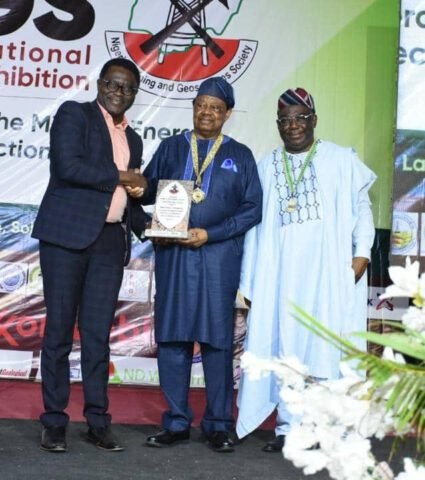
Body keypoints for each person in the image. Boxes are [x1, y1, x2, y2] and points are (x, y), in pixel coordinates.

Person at [236, 88, 376, 452]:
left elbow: (362, 207)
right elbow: (254, 226)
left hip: (329, 275)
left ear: (314, 120)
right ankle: (289, 428)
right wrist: (251, 279)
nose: (293, 126)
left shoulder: (341, 159)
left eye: (300, 118)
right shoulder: (266, 166)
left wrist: (361, 254)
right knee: (287, 348)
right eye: (285, 120)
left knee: (328, 349)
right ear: (278, 125)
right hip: (281, 276)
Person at [32, 58, 148, 453]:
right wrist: (124, 177)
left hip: (109, 243)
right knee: (60, 332)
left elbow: (129, 199)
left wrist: (157, 227)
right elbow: (67, 167)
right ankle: (54, 422)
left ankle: (98, 421)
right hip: (66, 239)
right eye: (113, 84)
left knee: (98, 337)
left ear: (134, 94)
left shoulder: (134, 140)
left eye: (128, 88)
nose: (119, 92)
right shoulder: (74, 114)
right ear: (100, 84)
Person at [142, 77, 262, 453]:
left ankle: (218, 424)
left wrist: (212, 234)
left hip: (218, 259)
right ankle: (176, 422)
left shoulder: (240, 155)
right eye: (201, 105)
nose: (207, 112)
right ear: (193, 107)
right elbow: (148, 188)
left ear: (227, 114)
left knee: (217, 343)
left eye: (215, 107)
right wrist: (135, 194)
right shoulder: (171, 146)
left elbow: (252, 208)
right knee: (173, 338)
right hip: (175, 257)